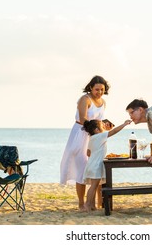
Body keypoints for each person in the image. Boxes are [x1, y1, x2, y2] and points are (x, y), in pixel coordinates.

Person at [60, 75, 110, 209]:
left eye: (102, 89)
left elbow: (100, 120)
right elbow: (83, 119)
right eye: (96, 89)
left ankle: (99, 203)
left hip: (95, 136)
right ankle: (82, 204)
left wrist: (105, 125)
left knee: (98, 167)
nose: (99, 92)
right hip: (81, 134)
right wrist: (94, 130)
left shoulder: (103, 102)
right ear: (91, 88)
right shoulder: (85, 99)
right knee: (81, 169)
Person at [81, 119, 132, 212]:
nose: (103, 127)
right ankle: (87, 204)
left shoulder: (92, 138)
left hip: (91, 164)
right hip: (96, 165)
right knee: (94, 186)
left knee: (93, 186)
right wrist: (124, 124)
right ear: (97, 130)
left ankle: (92, 205)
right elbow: (114, 131)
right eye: (102, 126)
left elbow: (88, 153)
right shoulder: (100, 136)